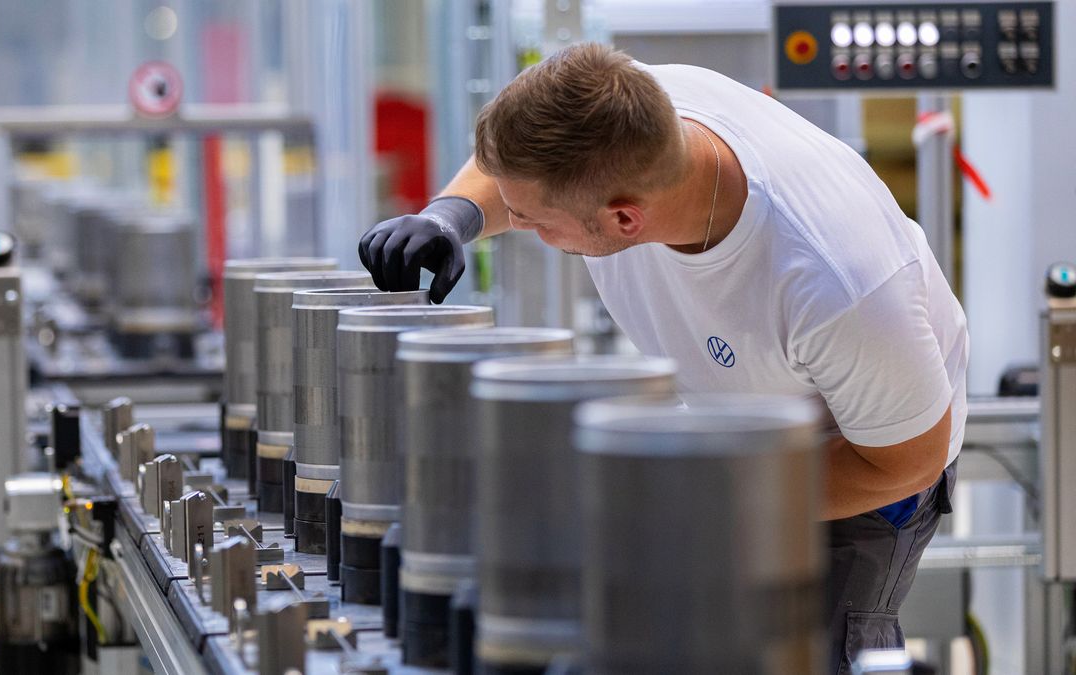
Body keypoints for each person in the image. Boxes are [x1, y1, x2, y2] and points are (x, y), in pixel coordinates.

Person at [358, 42, 967, 672]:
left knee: (799, 656)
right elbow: (524, 162)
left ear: (625, 219)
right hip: (731, 426)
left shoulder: (837, 285)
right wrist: (453, 215)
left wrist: (691, 496)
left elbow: (906, 463)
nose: (518, 225)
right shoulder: (631, 109)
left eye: (533, 222)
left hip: (860, 462)